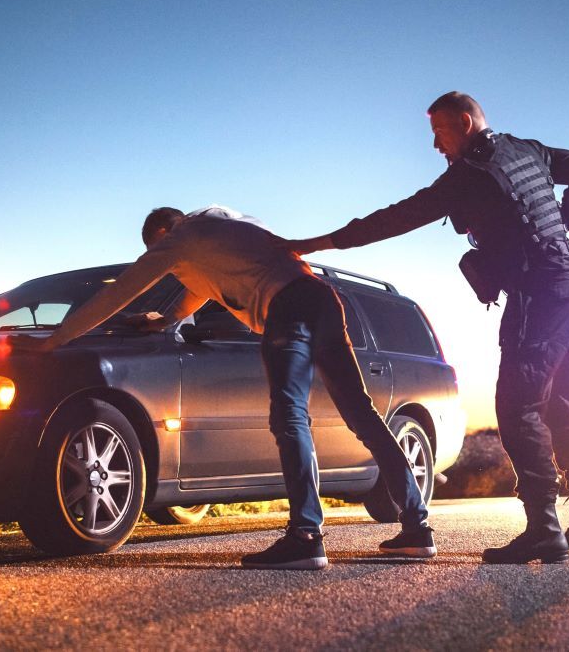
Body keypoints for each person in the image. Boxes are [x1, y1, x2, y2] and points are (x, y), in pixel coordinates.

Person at [281, 92, 569, 563]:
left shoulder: (466, 177)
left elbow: (393, 219)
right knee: (562, 405)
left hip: (537, 295)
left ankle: (544, 528)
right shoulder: (529, 149)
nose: (436, 145)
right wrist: (559, 227)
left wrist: (315, 243)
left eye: (439, 132)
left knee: (518, 409)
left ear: (464, 121)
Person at [36, 205, 435, 569]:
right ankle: (417, 529)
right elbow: (195, 294)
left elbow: (120, 291)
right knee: (362, 415)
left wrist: (56, 340)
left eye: (167, 258)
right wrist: (163, 320)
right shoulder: (225, 229)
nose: (171, 268)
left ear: (164, 232)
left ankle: (306, 536)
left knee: (290, 415)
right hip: (322, 300)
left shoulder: (181, 237)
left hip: (288, 309)